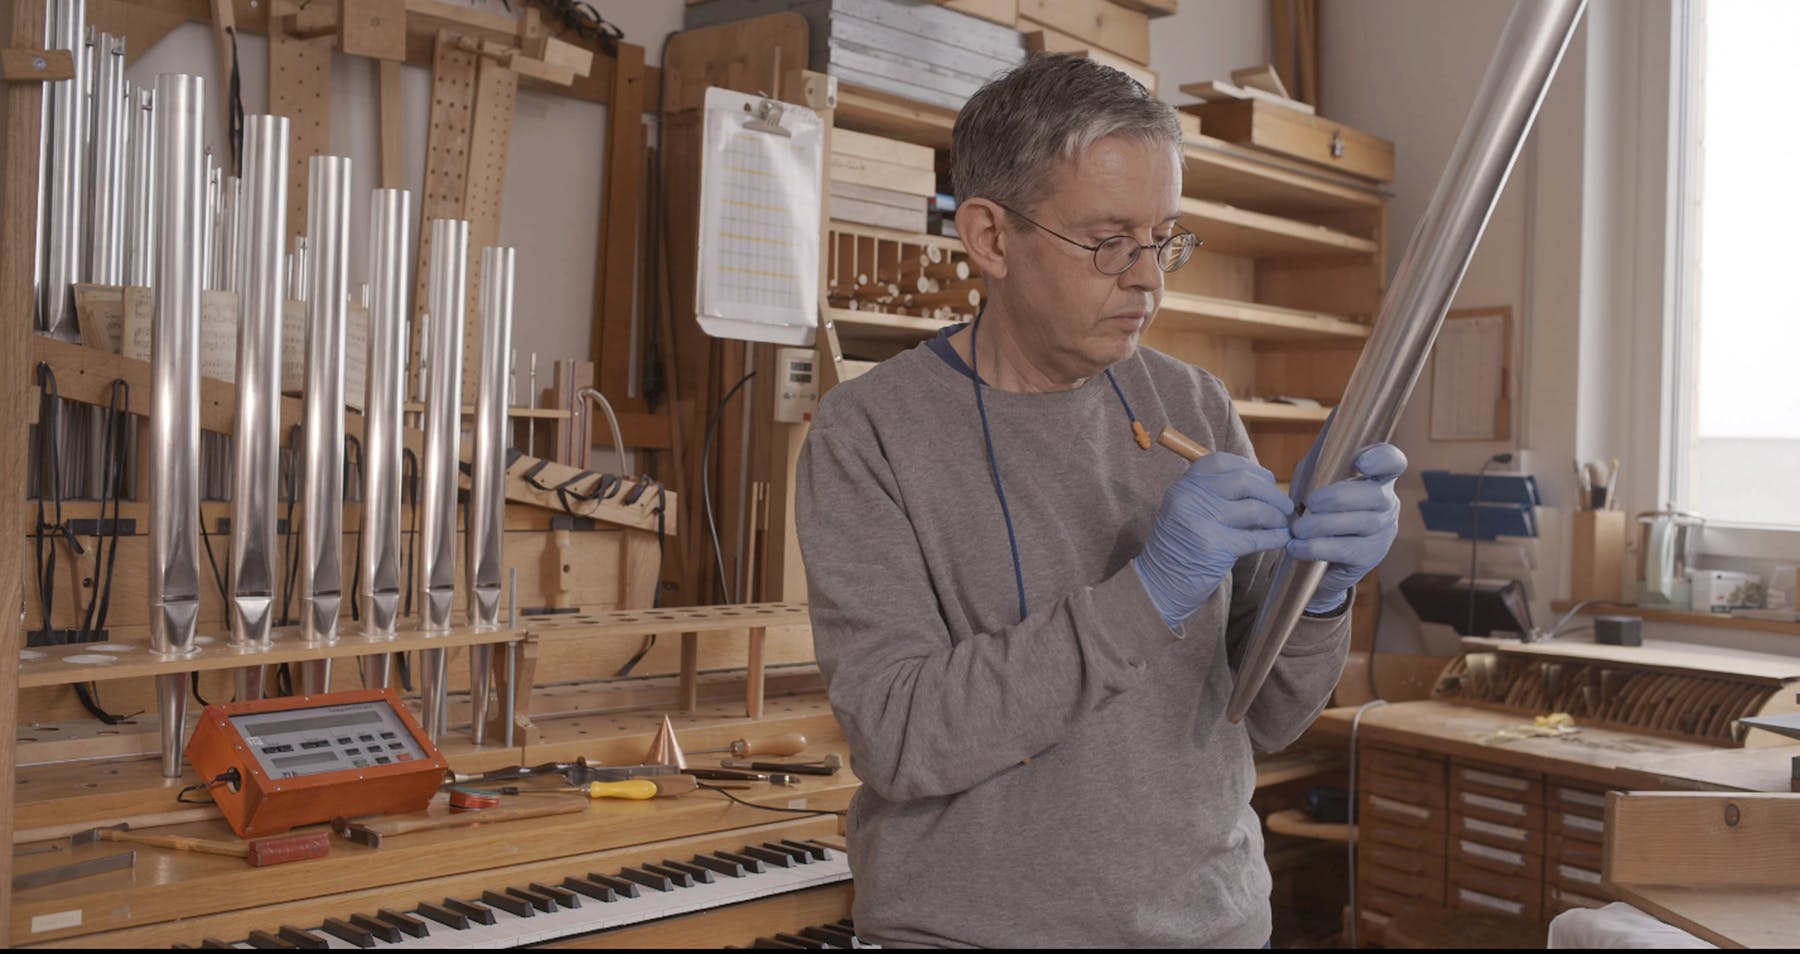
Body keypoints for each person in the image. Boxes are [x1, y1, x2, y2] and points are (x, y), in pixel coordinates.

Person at [794, 54, 1406, 948]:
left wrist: (1319, 592)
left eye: (1164, 239)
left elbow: (1270, 715)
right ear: (991, 239)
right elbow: (901, 737)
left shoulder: (1193, 405)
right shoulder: (869, 434)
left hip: (1211, 923)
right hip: (972, 933)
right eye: (1111, 242)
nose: (1149, 278)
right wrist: (1148, 592)